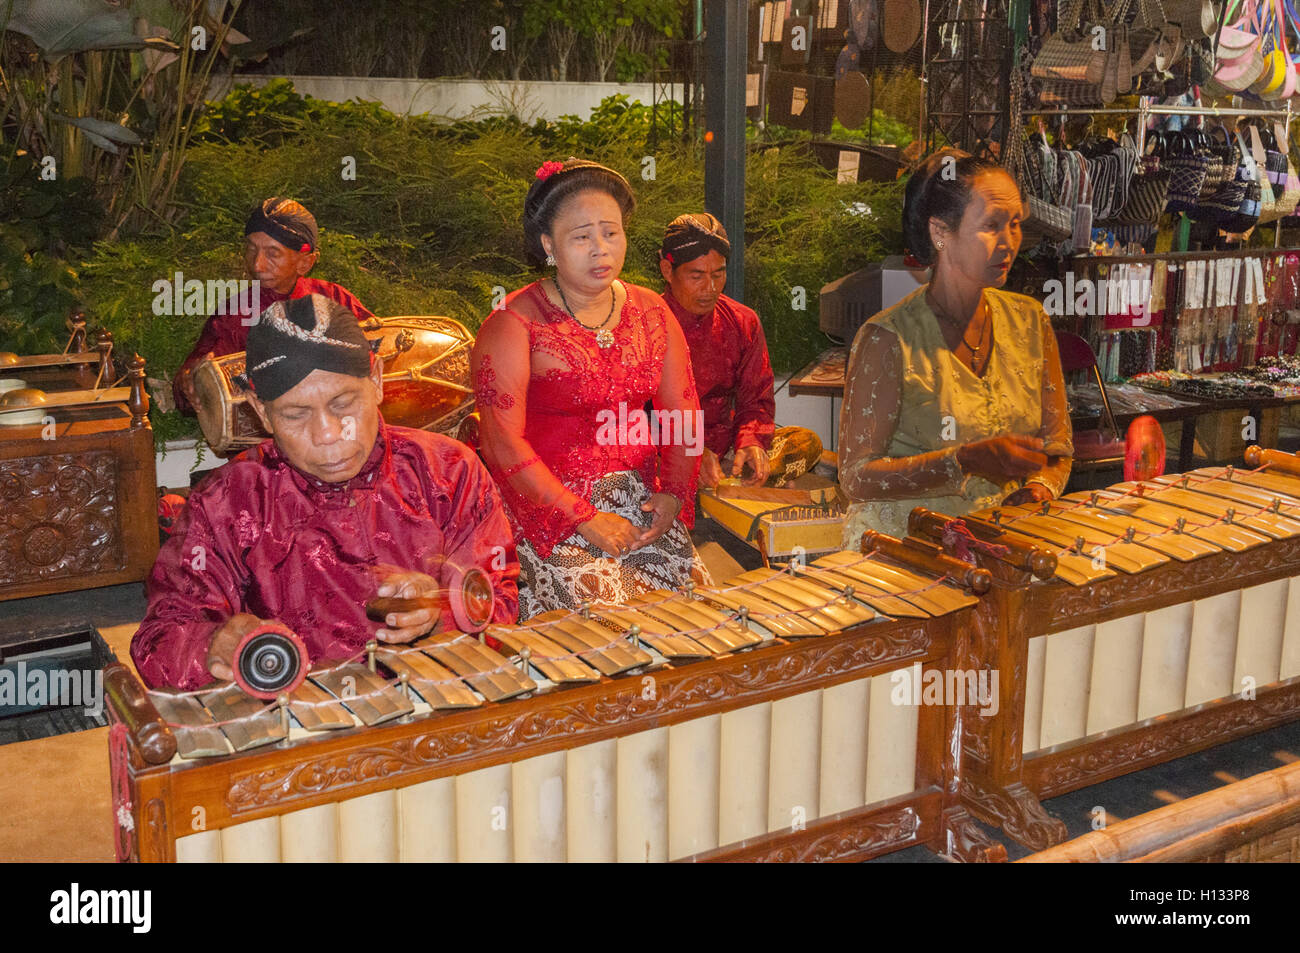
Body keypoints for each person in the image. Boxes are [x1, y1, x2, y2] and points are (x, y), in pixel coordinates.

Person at [133, 294, 518, 691]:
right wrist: (213, 643)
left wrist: (442, 611)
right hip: (298, 726)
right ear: (261, 412)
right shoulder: (227, 503)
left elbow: (500, 599)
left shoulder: (447, 473)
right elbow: (158, 642)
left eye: (343, 403)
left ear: (377, 382)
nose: (328, 434)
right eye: (295, 415)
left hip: (433, 710)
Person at [471, 158, 706, 619]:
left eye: (611, 232)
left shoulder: (652, 311)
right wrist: (582, 517)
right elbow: (500, 442)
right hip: (545, 511)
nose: (601, 248)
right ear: (548, 245)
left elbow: (682, 413)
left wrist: (674, 493)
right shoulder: (513, 323)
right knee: (611, 633)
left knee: (693, 619)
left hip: (638, 504)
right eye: (582, 237)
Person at [838, 148, 1073, 544]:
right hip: (900, 554)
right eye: (992, 225)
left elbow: (1058, 446)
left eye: (1015, 224)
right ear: (941, 233)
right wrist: (963, 461)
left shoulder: (1031, 321)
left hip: (996, 547)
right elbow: (856, 477)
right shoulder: (887, 339)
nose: (1009, 242)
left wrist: (1037, 490)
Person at [658, 212, 823, 489]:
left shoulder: (742, 321)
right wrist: (688, 452)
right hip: (666, 451)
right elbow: (630, 417)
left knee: (806, 442)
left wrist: (751, 442)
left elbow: (755, 401)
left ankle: (734, 482)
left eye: (718, 274)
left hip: (725, 455)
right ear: (667, 271)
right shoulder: (645, 323)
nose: (709, 288)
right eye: (696, 275)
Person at [171, 196, 373, 415]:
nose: (257, 264)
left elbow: (379, 350)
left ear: (305, 262)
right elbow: (195, 377)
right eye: (251, 249)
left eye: (272, 253)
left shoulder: (335, 299)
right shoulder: (235, 313)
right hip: (268, 442)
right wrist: (189, 383)